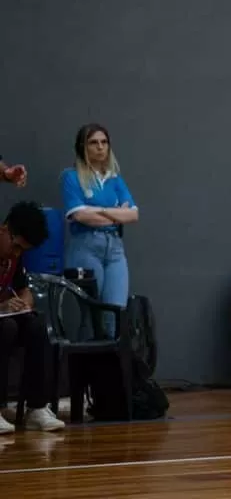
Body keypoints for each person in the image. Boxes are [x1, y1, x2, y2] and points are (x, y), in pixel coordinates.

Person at [60, 123, 139, 335]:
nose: (100, 147)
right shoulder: (71, 176)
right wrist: (115, 213)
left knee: (116, 314)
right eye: (93, 143)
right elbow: (80, 216)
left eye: (104, 142)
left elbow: (133, 214)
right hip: (86, 246)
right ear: (82, 147)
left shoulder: (115, 179)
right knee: (91, 316)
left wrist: (99, 210)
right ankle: (89, 356)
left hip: (115, 249)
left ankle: (112, 356)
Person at [0, 201, 66, 434]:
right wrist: (3, 305)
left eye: (23, 250)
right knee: (6, 328)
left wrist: (25, 302)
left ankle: (36, 408)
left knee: (36, 326)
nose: (17, 253)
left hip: (4, 316)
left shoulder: (14, 258)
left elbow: (23, 288)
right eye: (16, 246)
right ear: (5, 230)